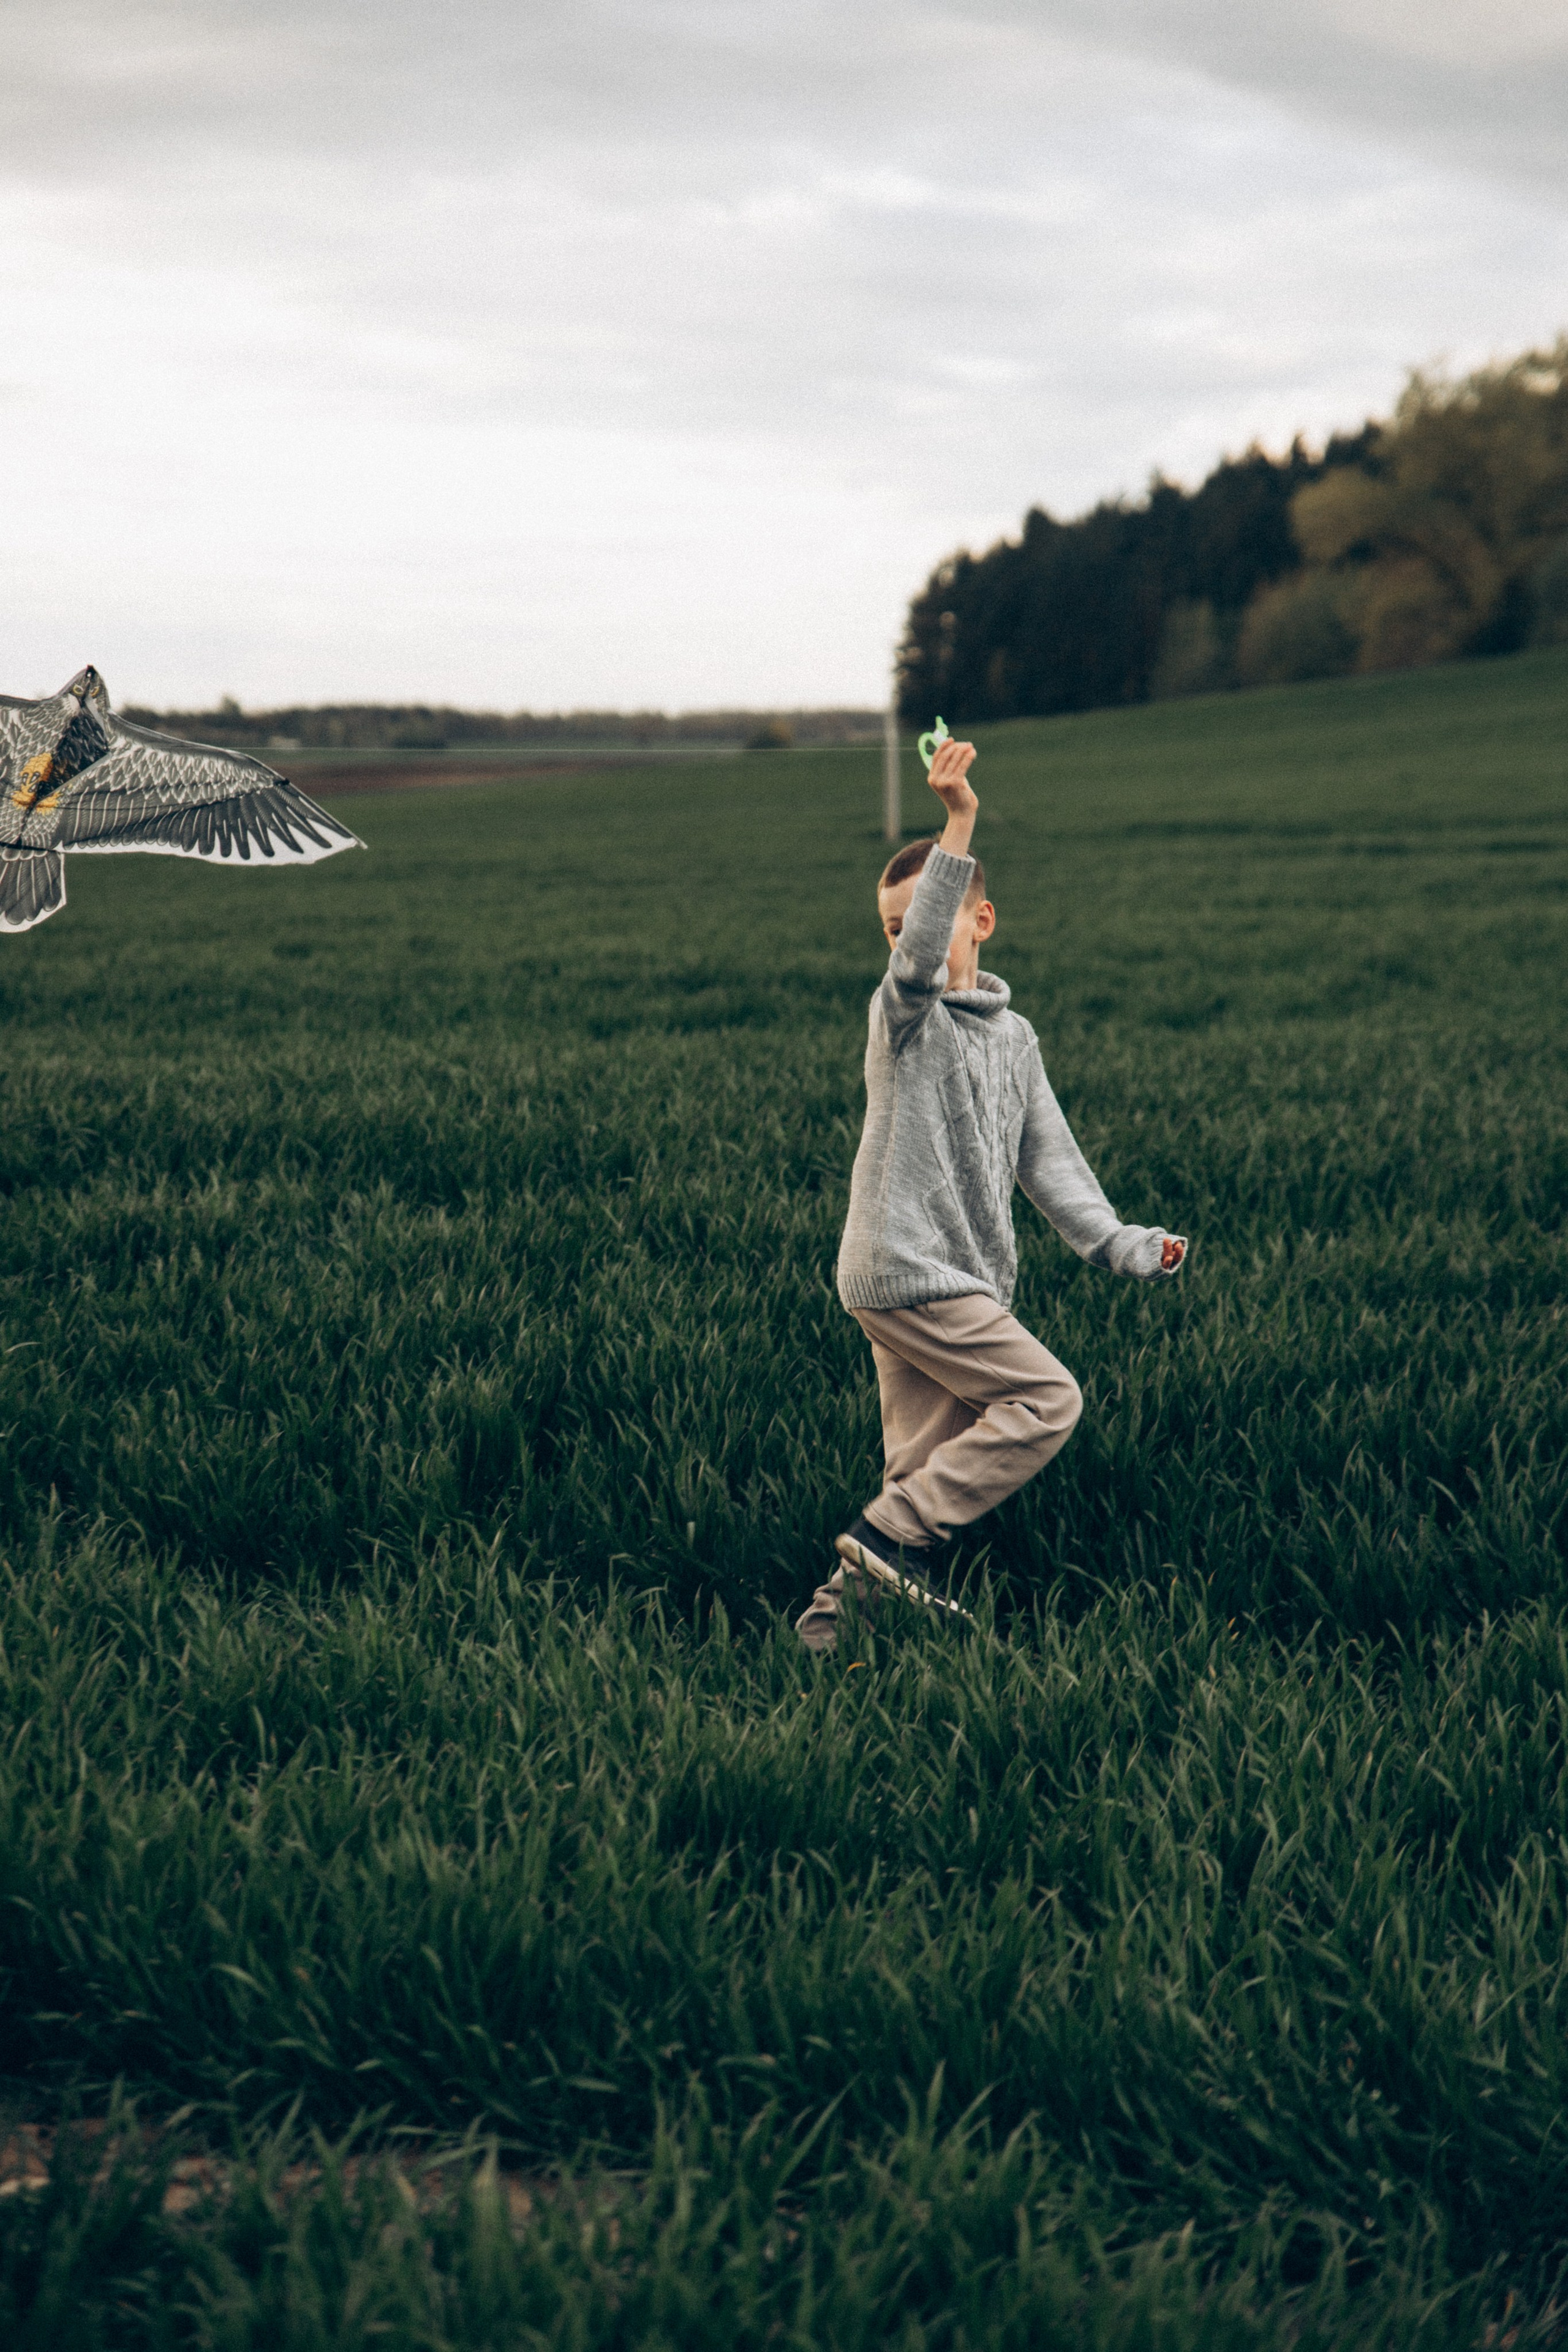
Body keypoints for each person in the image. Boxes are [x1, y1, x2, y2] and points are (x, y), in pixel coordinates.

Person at [796, 733, 1187, 1653]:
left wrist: (1125, 1244)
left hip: (954, 1281)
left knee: (920, 1469)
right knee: (1047, 1399)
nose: (909, 940)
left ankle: (824, 1637)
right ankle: (891, 1537)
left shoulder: (1015, 1042)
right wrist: (959, 821)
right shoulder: (904, 1020)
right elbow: (917, 963)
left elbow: (1050, 1162)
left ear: (984, 921)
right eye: (893, 930)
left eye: (927, 920)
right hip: (905, 1267)